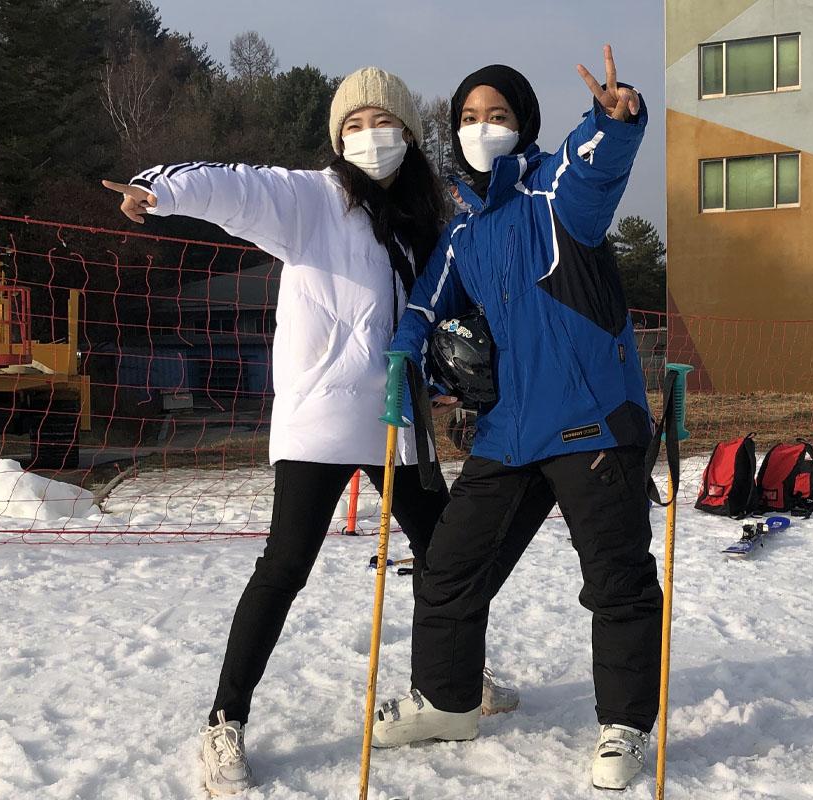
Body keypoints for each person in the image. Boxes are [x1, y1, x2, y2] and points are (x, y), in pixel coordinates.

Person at [102, 67, 516, 796]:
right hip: (322, 421)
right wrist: (159, 189)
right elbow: (236, 186)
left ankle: (458, 678)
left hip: (401, 421)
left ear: (408, 135)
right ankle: (224, 723)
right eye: (352, 126)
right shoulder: (311, 201)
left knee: (448, 557)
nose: (368, 137)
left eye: (381, 122)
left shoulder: (427, 220)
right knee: (284, 567)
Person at [371, 47, 661, 790]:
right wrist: (406, 355)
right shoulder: (466, 231)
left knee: (616, 579)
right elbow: (425, 303)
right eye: (468, 118)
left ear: (524, 125)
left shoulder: (554, 194)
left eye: (496, 116)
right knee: (450, 567)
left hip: (592, 418)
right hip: (510, 431)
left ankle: (624, 728)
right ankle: (446, 698)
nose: (481, 128)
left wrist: (614, 119)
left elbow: (593, 166)